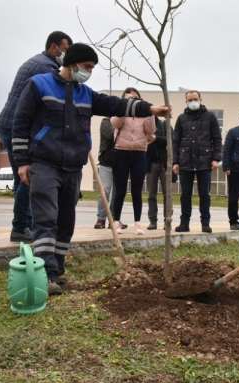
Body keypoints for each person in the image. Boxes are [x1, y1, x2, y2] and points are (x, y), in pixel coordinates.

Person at [12, 43, 170, 295]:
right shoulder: (39, 85)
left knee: (66, 220)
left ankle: (58, 270)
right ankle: (45, 274)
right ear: (72, 63)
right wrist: (22, 162)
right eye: (87, 67)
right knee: (46, 218)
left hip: (73, 166)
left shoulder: (85, 93)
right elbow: (19, 124)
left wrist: (149, 109)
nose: (89, 72)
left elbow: (117, 106)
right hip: (44, 163)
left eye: (92, 68)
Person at [0, 31, 72, 243]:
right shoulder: (46, 68)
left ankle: (23, 224)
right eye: (65, 50)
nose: (66, 55)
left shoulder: (36, 62)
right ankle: (21, 226)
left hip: (9, 124)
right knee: (28, 175)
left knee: (22, 178)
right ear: (54, 47)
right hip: (17, 126)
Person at [172, 90, 222, 233]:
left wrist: (215, 158)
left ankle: (205, 223)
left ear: (200, 99)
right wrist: (175, 162)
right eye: (190, 99)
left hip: (204, 163)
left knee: (204, 195)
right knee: (185, 195)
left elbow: (217, 139)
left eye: (195, 99)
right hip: (185, 162)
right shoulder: (181, 118)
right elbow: (176, 142)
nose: (193, 101)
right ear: (186, 101)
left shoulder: (210, 117)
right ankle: (184, 223)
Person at [109, 88, 156, 235]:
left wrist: (149, 113)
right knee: (120, 189)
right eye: (128, 98)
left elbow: (151, 130)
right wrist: (125, 109)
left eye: (134, 98)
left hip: (139, 153)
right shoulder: (118, 109)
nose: (131, 100)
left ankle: (137, 223)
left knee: (137, 190)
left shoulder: (144, 112)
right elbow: (116, 124)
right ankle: (116, 221)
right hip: (121, 151)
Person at [94, 117, 117, 229]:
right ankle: (101, 219)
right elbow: (110, 135)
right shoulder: (106, 122)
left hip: (120, 163)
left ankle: (113, 219)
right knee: (105, 190)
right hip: (106, 162)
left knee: (116, 193)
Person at [146, 117, 168, 230]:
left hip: (165, 165)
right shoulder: (145, 125)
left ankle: (167, 220)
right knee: (151, 195)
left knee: (167, 194)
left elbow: (169, 140)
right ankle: (152, 221)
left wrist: (155, 138)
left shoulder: (165, 124)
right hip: (151, 164)